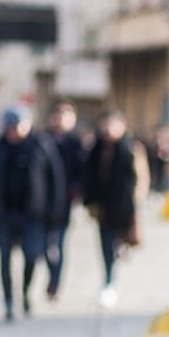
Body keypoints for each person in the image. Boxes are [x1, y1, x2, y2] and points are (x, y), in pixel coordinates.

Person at [0, 106, 65, 321]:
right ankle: (7, 300)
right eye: (10, 127)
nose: (14, 132)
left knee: (32, 256)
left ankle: (24, 292)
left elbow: (56, 180)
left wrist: (55, 210)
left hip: (34, 214)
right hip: (5, 213)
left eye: (18, 127)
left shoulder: (42, 145)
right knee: (5, 258)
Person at [83, 110, 137, 309]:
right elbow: (88, 178)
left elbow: (133, 180)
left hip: (122, 207)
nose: (107, 130)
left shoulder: (128, 149)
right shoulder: (95, 150)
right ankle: (109, 280)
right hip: (102, 209)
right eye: (104, 125)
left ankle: (111, 279)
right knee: (106, 245)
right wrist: (90, 202)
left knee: (117, 243)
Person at [41, 101, 86, 301]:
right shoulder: (43, 140)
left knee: (58, 244)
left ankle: (55, 283)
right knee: (42, 246)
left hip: (64, 204)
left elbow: (82, 173)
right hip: (42, 203)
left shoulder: (75, 144)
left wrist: (75, 192)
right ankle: (51, 276)